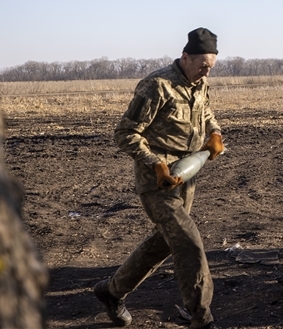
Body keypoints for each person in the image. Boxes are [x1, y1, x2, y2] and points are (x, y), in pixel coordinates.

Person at [94, 28, 225, 329]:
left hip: (185, 176)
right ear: (185, 56)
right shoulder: (157, 86)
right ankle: (201, 316)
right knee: (189, 241)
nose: (206, 72)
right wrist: (155, 164)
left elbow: (205, 113)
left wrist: (215, 132)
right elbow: (125, 133)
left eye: (211, 67)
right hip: (157, 181)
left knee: (166, 243)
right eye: (202, 65)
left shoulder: (200, 82)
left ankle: (112, 292)